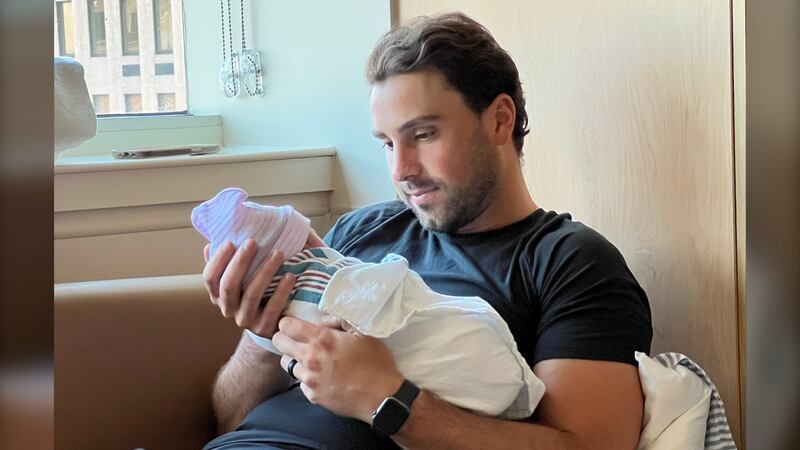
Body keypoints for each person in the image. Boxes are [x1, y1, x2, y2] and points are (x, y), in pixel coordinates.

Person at [202, 11, 652, 450]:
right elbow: (229, 421)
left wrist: (387, 400)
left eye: (422, 135)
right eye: (387, 143)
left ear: (500, 120)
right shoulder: (359, 231)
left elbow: (589, 444)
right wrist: (263, 335)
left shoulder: (569, 263)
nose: (401, 170)